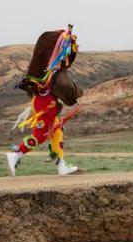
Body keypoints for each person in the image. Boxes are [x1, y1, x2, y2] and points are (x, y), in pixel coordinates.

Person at [6, 26, 82, 177]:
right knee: (41, 135)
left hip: (42, 103)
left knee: (56, 130)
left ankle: (61, 165)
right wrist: (75, 94)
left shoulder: (40, 70)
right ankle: (17, 154)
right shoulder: (51, 71)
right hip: (47, 105)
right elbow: (66, 86)